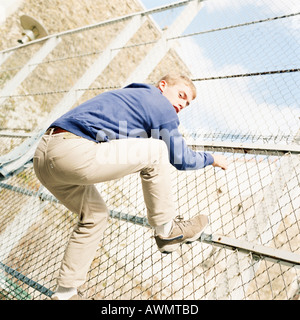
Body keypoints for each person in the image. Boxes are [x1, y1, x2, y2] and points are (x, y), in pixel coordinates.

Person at [33, 73, 228, 300]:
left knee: (95, 215)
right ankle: (167, 232)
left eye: (186, 104)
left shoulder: (131, 97)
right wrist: (211, 158)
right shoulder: (159, 103)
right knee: (156, 151)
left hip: (45, 158)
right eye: (181, 95)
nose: (181, 105)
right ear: (162, 86)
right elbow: (181, 158)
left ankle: (65, 294)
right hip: (72, 152)